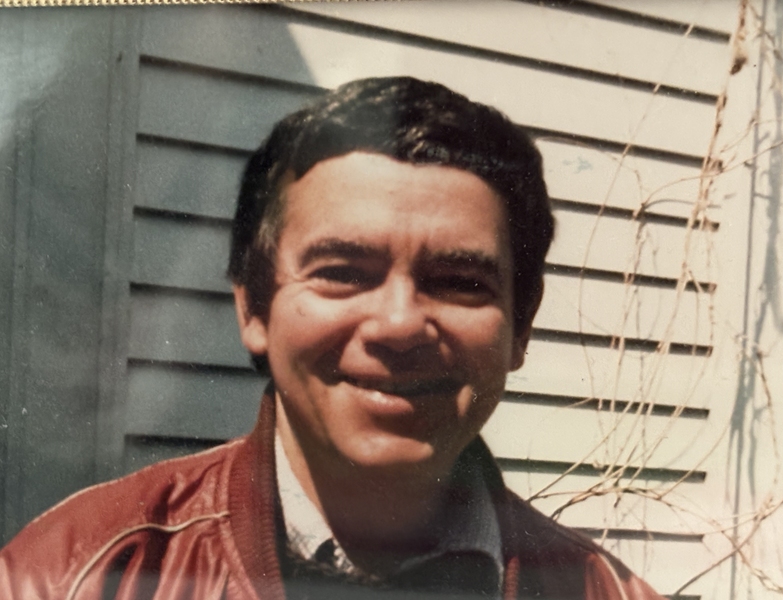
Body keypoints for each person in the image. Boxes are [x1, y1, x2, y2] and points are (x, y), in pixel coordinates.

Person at [0, 77, 663, 599]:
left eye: (460, 281)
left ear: (521, 326)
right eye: (343, 273)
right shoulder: (68, 576)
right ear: (255, 308)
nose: (399, 325)